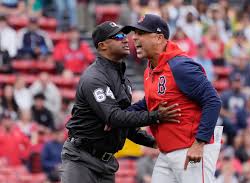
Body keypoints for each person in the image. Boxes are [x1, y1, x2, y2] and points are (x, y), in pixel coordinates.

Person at [60, 21, 181, 183]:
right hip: (81, 159)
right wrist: (156, 116)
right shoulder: (95, 77)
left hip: (106, 162)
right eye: (117, 36)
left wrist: (154, 142)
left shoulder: (121, 77)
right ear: (102, 46)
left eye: (125, 35)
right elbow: (114, 117)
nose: (125, 39)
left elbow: (125, 125)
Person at [127, 14, 222, 183]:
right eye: (135, 33)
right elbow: (149, 103)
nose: (134, 37)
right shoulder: (150, 69)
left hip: (190, 150)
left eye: (141, 33)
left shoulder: (180, 66)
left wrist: (199, 143)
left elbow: (213, 100)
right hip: (166, 152)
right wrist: (117, 115)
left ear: (158, 38)